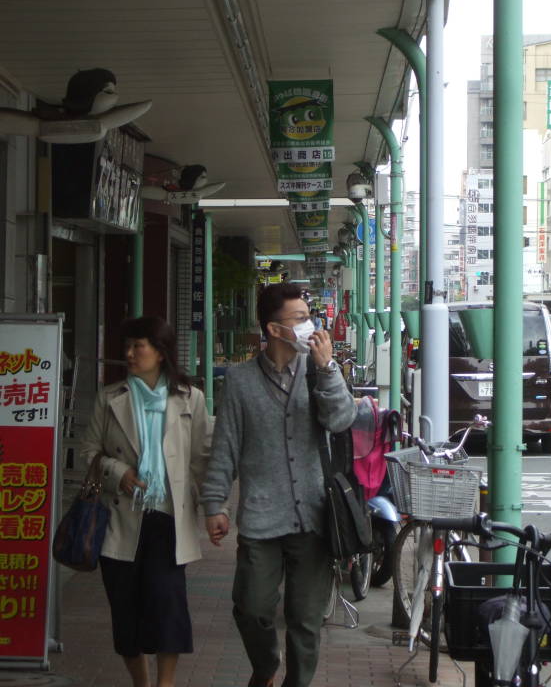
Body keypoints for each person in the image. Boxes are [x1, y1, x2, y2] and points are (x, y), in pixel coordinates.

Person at [201, 282, 357, 687]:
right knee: (251, 607)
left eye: (310, 318)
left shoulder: (319, 370)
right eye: (300, 320)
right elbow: (225, 446)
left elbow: (341, 420)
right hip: (261, 516)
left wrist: (327, 370)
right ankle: (266, 667)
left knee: (305, 620)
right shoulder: (239, 381)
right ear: (274, 329)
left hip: (313, 515)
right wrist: (214, 503)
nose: (310, 326)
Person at [82, 316, 213, 687]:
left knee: (168, 606)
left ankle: (165, 684)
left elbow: (202, 458)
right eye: (127, 346)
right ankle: (140, 682)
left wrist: (215, 510)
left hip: (168, 518)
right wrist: (117, 471)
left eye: (138, 346)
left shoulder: (191, 399)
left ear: (160, 352)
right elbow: (89, 451)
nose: (129, 354)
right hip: (121, 520)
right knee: (126, 612)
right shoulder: (110, 398)